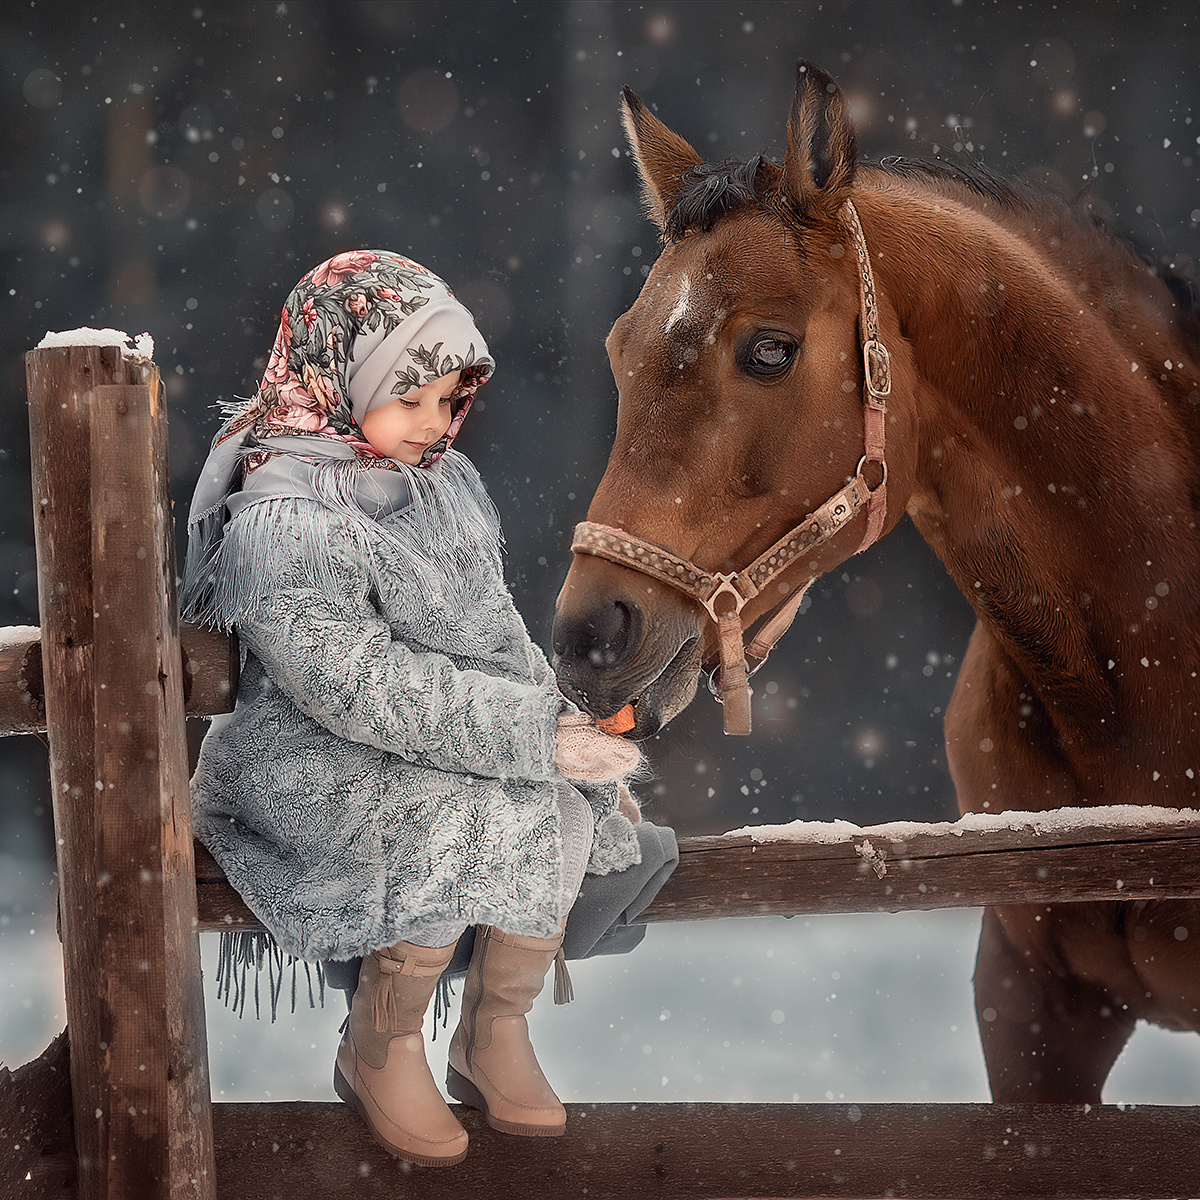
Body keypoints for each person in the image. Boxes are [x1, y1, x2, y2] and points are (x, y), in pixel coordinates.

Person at [181, 249, 674, 1167]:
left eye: (446, 400)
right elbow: (361, 686)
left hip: (420, 737)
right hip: (308, 759)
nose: (431, 424)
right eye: (407, 398)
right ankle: (383, 1039)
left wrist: (561, 722)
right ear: (341, 377)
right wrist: (531, 736)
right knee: (453, 817)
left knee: (550, 810)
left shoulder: (437, 489)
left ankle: (494, 1028)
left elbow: (492, 636)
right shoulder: (286, 519)